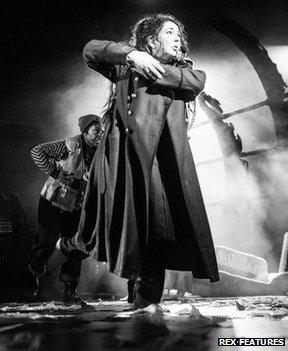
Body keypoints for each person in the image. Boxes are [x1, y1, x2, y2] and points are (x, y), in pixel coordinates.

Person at [59, 13, 219, 308]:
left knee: (154, 230)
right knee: (114, 225)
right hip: (125, 159)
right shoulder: (126, 67)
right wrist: (132, 55)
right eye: (169, 32)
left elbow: (197, 81)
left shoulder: (186, 72)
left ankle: (142, 306)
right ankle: (74, 245)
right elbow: (91, 50)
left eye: (178, 35)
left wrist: (151, 67)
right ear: (151, 40)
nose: (177, 39)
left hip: (162, 162)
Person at [26, 114, 103, 303]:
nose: (100, 134)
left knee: (76, 246)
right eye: (95, 131)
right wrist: (57, 173)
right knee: (46, 242)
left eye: (102, 131)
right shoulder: (69, 145)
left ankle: (70, 291)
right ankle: (32, 276)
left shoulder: (103, 151)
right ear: (85, 132)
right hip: (52, 202)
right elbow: (37, 151)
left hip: (77, 207)